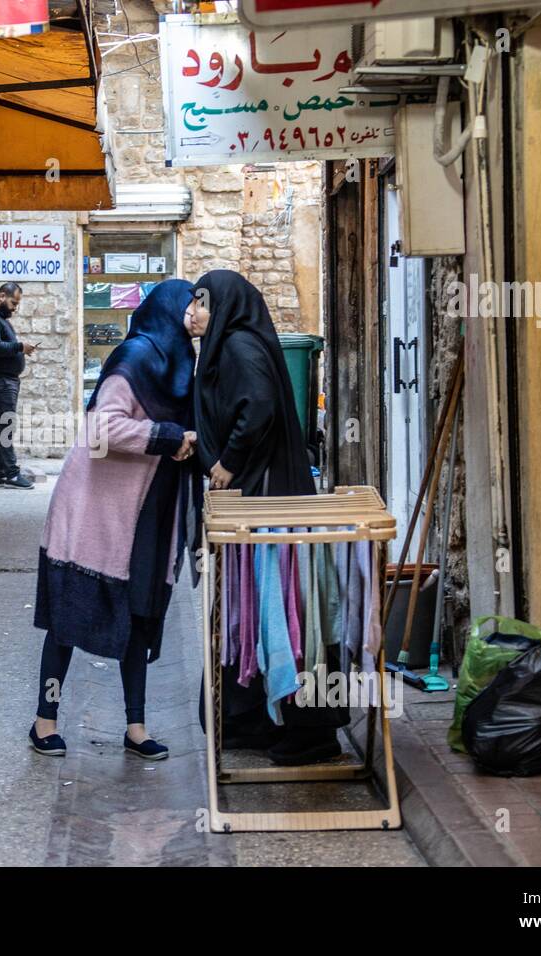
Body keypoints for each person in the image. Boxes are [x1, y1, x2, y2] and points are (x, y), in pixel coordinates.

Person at [30, 279, 199, 761]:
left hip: (148, 515)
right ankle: (44, 722)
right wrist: (167, 436)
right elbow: (102, 429)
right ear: (167, 310)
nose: (194, 314)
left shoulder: (181, 365)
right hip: (95, 515)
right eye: (189, 305)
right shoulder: (135, 358)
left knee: (139, 621)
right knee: (67, 623)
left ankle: (137, 728)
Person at [187, 270, 347, 766]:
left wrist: (227, 462)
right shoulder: (237, 344)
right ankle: (254, 721)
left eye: (201, 303)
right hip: (258, 504)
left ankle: (306, 731)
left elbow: (257, 408)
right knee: (257, 610)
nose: (191, 313)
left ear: (226, 309)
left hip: (268, 506)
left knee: (280, 611)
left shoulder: (238, 347)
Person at [0, 281, 36, 489]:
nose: (15, 307)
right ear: (1, 296)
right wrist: (20, 346)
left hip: (6, 379)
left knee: (3, 426)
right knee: (7, 425)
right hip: (0, 380)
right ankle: (10, 474)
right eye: (13, 302)